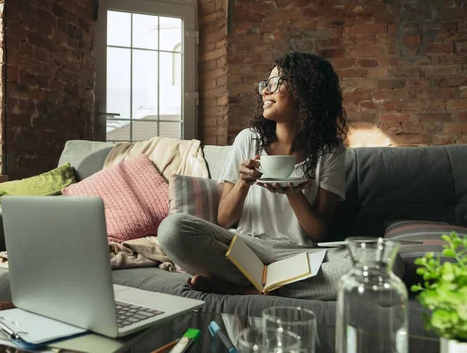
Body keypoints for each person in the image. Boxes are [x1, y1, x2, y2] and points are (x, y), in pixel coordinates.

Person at [158, 51, 401, 300]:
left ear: (305, 92)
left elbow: (319, 232)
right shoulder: (248, 139)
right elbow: (224, 220)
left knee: (389, 264)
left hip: (299, 256)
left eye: (276, 83)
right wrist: (243, 182)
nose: (265, 91)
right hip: (244, 249)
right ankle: (274, 284)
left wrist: (294, 193)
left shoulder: (329, 152)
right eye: (266, 84)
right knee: (171, 230)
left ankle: (246, 289)